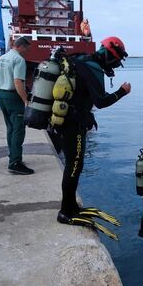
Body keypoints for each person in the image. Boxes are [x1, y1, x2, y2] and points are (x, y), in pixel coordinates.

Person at [55, 36, 131, 240]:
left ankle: (71, 205)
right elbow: (101, 102)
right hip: (73, 123)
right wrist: (122, 92)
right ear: (107, 55)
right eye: (115, 60)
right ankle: (66, 212)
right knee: (74, 165)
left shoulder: (80, 60)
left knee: (74, 164)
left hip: (64, 120)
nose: (114, 65)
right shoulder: (93, 69)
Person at [0, 36, 34, 175]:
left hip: (3, 96)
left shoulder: (2, 58)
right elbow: (18, 83)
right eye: (27, 48)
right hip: (13, 97)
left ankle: (13, 156)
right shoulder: (19, 60)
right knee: (18, 130)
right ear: (21, 46)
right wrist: (25, 101)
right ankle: (15, 163)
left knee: (10, 128)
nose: (27, 51)